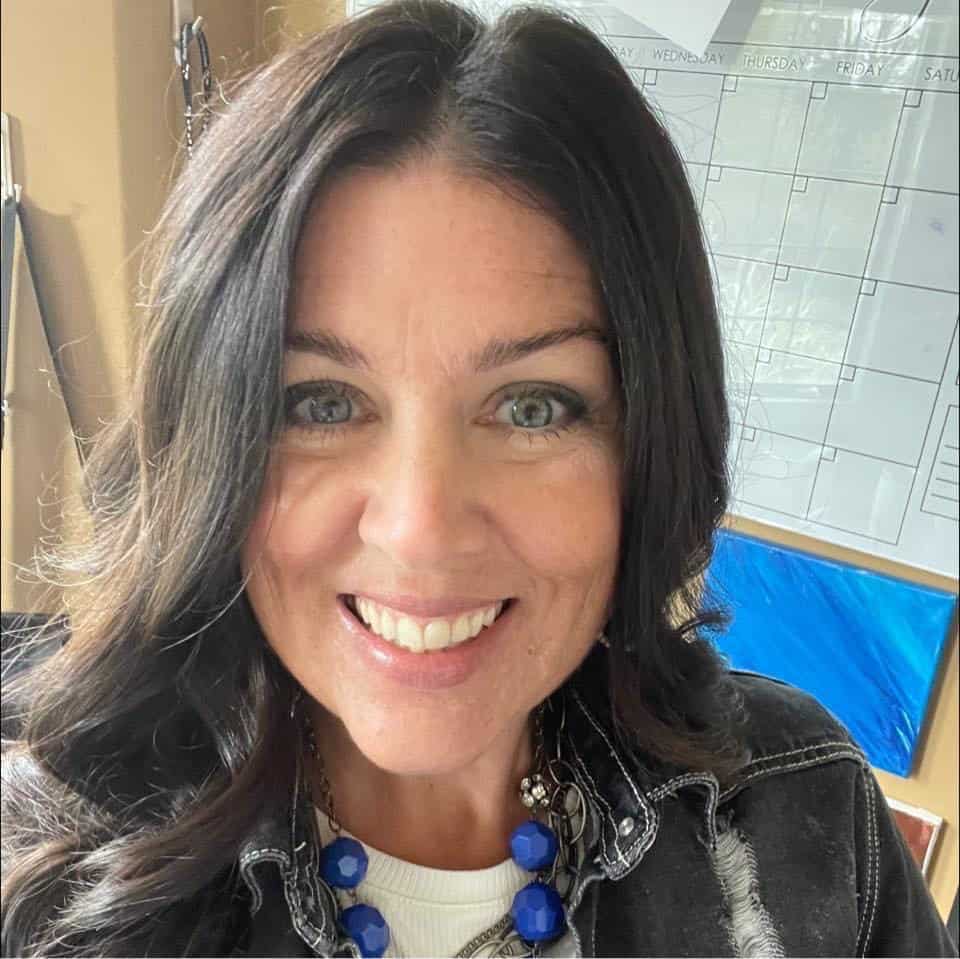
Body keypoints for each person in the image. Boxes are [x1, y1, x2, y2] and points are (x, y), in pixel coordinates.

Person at [1, 1, 956, 955]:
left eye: (533, 407)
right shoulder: (45, 889)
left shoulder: (803, 818)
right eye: (321, 402)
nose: (420, 529)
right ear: (207, 440)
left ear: (649, 444)